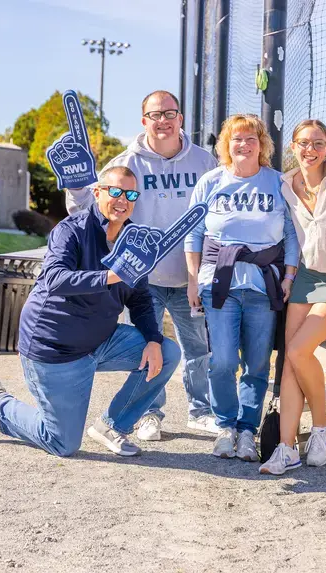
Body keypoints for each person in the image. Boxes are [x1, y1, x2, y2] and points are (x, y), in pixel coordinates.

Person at [0, 166, 181, 458]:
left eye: (130, 194)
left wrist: (153, 339)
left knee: (167, 352)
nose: (122, 200)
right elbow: (55, 279)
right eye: (115, 191)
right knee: (62, 443)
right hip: (55, 347)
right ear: (97, 193)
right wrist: (110, 276)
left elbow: (140, 299)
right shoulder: (71, 230)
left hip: (100, 341)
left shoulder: (134, 239)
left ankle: (111, 425)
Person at [66, 90, 219, 441]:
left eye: (170, 113)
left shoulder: (204, 162)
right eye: (155, 114)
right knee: (148, 348)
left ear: (181, 118)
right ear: (143, 120)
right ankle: (150, 414)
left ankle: (201, 411)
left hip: (188, 277)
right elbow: (89, 209)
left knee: (197, 348)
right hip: (140, 279)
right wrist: (74, 183)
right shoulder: (125, 162)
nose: (162, 120)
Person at [184, 114, 300, 462]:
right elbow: (194, 232)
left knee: (257, 363)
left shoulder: (278, 182)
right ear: (226, 144)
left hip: (263, 284)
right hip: (220, 282)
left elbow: (292, 233)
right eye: (237, 139)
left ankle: (248, 431)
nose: (244, 145)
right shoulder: (211, 182)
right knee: (221, 360)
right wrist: (193, 278)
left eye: (251, 138)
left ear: (262, 144)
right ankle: (225, 428)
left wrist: (289, 276)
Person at [258, 119, 326, 475]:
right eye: (304, 143)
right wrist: (290, 275)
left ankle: (322, 424)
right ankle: (287, 448)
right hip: (306, 277)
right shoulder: (285, 184)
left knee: (298, 350)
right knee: (290, 361)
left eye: (318, 143)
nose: (311, 149)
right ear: (293, 146)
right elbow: (290, 234)